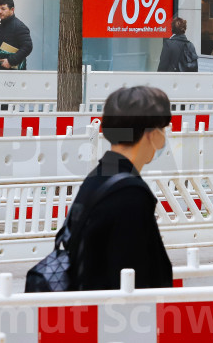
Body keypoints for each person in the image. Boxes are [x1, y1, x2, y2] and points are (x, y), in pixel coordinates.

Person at [67, 86, 173, 290]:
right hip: (115, 316)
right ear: (151, 133)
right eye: (164, 128)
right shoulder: (130, 193)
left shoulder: (98, 177)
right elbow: (135, 274)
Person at [0, 0, 33, 69]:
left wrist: (10, 61)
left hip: (16, 73)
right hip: (0, 72)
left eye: (3, 9)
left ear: (12, 9)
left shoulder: (20, 27)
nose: (0, 12)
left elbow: (27, 47)